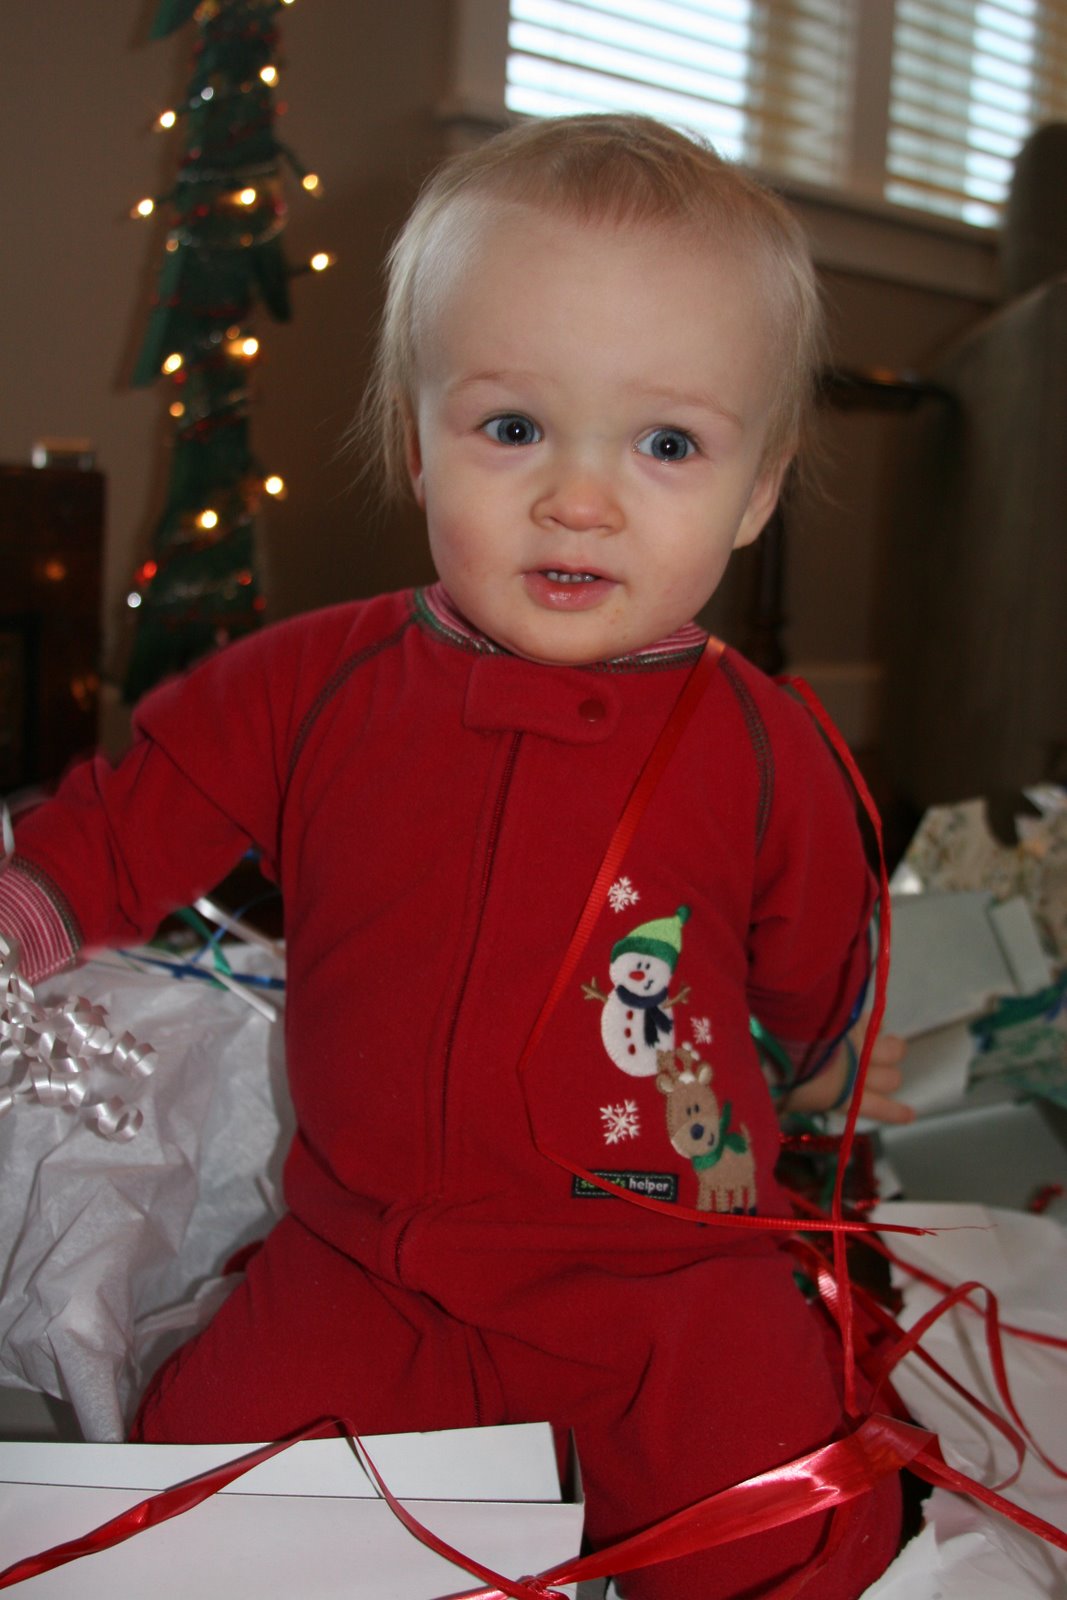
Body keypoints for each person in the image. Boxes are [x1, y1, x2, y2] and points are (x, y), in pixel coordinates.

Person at [0, 114, 913, 1598]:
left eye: (667, 444)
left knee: (807, 1536)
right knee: (189, 1507)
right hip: (371, 1259)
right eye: (513, 427)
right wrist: (23, 912)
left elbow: (824, 950)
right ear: (413, 441)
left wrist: (824, 1066)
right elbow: (132, 813)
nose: (579, 497)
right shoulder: (314, 686)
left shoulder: (767, 745)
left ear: (757, 489)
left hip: (669, 1269)